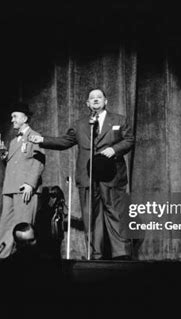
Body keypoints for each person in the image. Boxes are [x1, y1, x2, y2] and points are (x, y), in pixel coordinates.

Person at [29, 88, 134, 260]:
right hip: (88, 177)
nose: (95, 100)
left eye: (99, 97)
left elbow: (129, 140)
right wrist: (42, 140)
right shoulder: (80, 124)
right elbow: (65, 141)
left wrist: (113, 149)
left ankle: (121, 254)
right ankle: (96, 254)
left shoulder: (119, 120)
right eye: (91, 98)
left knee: (115, 213)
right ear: (87, 103)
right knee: (91, 217)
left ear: (106, 101)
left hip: (112, 176)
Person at [0, 102, 45, 259]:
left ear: (24, 118)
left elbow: (39, 161)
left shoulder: (34, 136)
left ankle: (23, 259)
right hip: (10, 187)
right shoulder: (13, 141)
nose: (12, 120)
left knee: (23, 226)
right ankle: (2, 257)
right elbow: (16, 163)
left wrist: (31, 184)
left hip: (24, 188)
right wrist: (5, 154)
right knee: (6, 225)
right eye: (11, 117)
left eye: (15, 116)